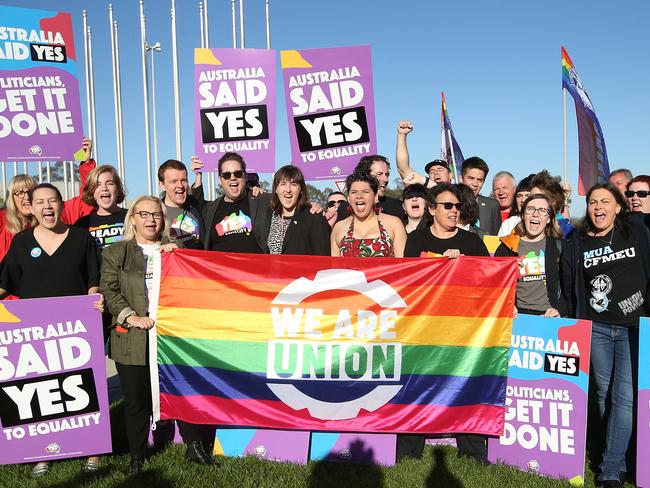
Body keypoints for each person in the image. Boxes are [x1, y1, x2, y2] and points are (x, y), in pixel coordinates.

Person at [0, 183, 102, 477]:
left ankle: (91, 451)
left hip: (77, 329)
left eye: (53, 201)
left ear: (60, 205)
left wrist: (94, 297)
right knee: (37, 390)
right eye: (40, 202)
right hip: (35, 332)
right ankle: (39, 454)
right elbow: (6, 282)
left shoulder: (82, 239)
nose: (47, 207)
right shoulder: (21, 242)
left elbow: (92, 278)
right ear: (30, 208)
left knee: (82, 387)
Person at [561, 183, 650, 487]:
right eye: (593, 202)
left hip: (632, 328)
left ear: (618, 207)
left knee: (623, 398)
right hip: (597, 328)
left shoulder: (636, 233)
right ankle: (617, 455)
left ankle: (610, 470)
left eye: (605, 201)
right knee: (602, 395)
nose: (598, 207)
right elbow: (571, 286)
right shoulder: (578, 241)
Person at [403, 183, 490, 463]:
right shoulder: (416, 240)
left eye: (457, 207)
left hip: (462, 329)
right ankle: (408, 450)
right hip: (423, 327)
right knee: (416, 385)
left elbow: (488, 281)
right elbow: (408, 281)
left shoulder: (472, 242)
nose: (455, 211)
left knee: (466, 384)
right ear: (431, 209)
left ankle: (473, 451)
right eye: (448, 206)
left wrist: (466, 266)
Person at [494, 194, 567, 317]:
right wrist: (506, 306)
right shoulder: (506, 246)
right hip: (516, 317)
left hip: (549, 318)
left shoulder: (560, 247)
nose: (535, 214)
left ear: (549, 218)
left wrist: (561, 310)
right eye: (530, 209)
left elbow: (570, 286)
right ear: (523, 215)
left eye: (542, 210)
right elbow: (495, 286)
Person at [202, 152, 271, 252]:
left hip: (256, 267)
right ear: (220, 180)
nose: (232, 178)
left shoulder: (261, 202)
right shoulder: (209, 210)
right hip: (220, 268)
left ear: (245, 176)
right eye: (226, 175)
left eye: (238, 173)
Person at [331, 171, 406, 257]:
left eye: (365, 192)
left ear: (375, 197)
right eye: (354, 192)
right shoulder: (339, 228)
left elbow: (403, 266)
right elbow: (335, 268)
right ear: (348, 198)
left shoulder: (394, 224)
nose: (359, 196)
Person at [264, 165, 330, 255]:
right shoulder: (270, 216)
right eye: (283, 184)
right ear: (276, 189)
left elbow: (323, 257)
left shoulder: (314, 217)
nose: (288, 190)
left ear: (301, 189)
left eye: (293, 184)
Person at [332, 155, 406, 223]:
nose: (386, 179)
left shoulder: (397, 206)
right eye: (379, 174)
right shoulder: (344, 209)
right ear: (365, 176)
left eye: (387, 175)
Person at [74, 165, 127, 249]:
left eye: (110, 183)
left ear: (117, 189)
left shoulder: (131, 217)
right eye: (97, 185)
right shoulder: (82, 224)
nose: (104, 188)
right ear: (91, 191)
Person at [395, 120, 452, 188]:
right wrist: (402, 135)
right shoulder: (423, 193)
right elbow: (403, 169)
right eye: (431, 171)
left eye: (440, 169)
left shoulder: (460, 193)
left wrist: (424, 181)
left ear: (450, 175)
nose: (435, 173)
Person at [460, 157, 501, 235]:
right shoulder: (451, 204)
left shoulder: (492, 205)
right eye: (471, 178)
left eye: (479, 180)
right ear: (461, 178)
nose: (475, 184)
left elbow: (496, 238)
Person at [0, 174, 37, 262]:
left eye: (31, 191)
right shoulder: (1, 218)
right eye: (20, 193)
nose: (27, 197)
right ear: (11, 198)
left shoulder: (47, 220)